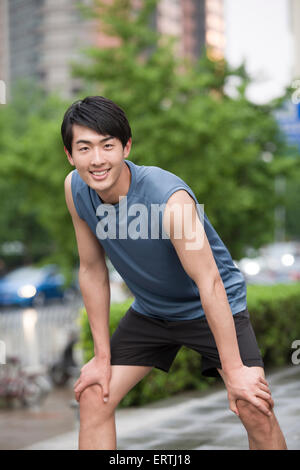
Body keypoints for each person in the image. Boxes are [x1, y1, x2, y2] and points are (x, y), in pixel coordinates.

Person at [61, 95, 287, 450]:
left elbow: (209, 282)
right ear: (70, 155)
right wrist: (102, 357)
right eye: (85, 148)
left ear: (126, 147)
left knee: (254, 406)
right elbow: (91, 270)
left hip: (208, 305)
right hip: (151, 312)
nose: (98, 159)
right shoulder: (75, 189)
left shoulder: (168, 198)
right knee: (94, 394)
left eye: (108, 146)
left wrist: (236, 373)